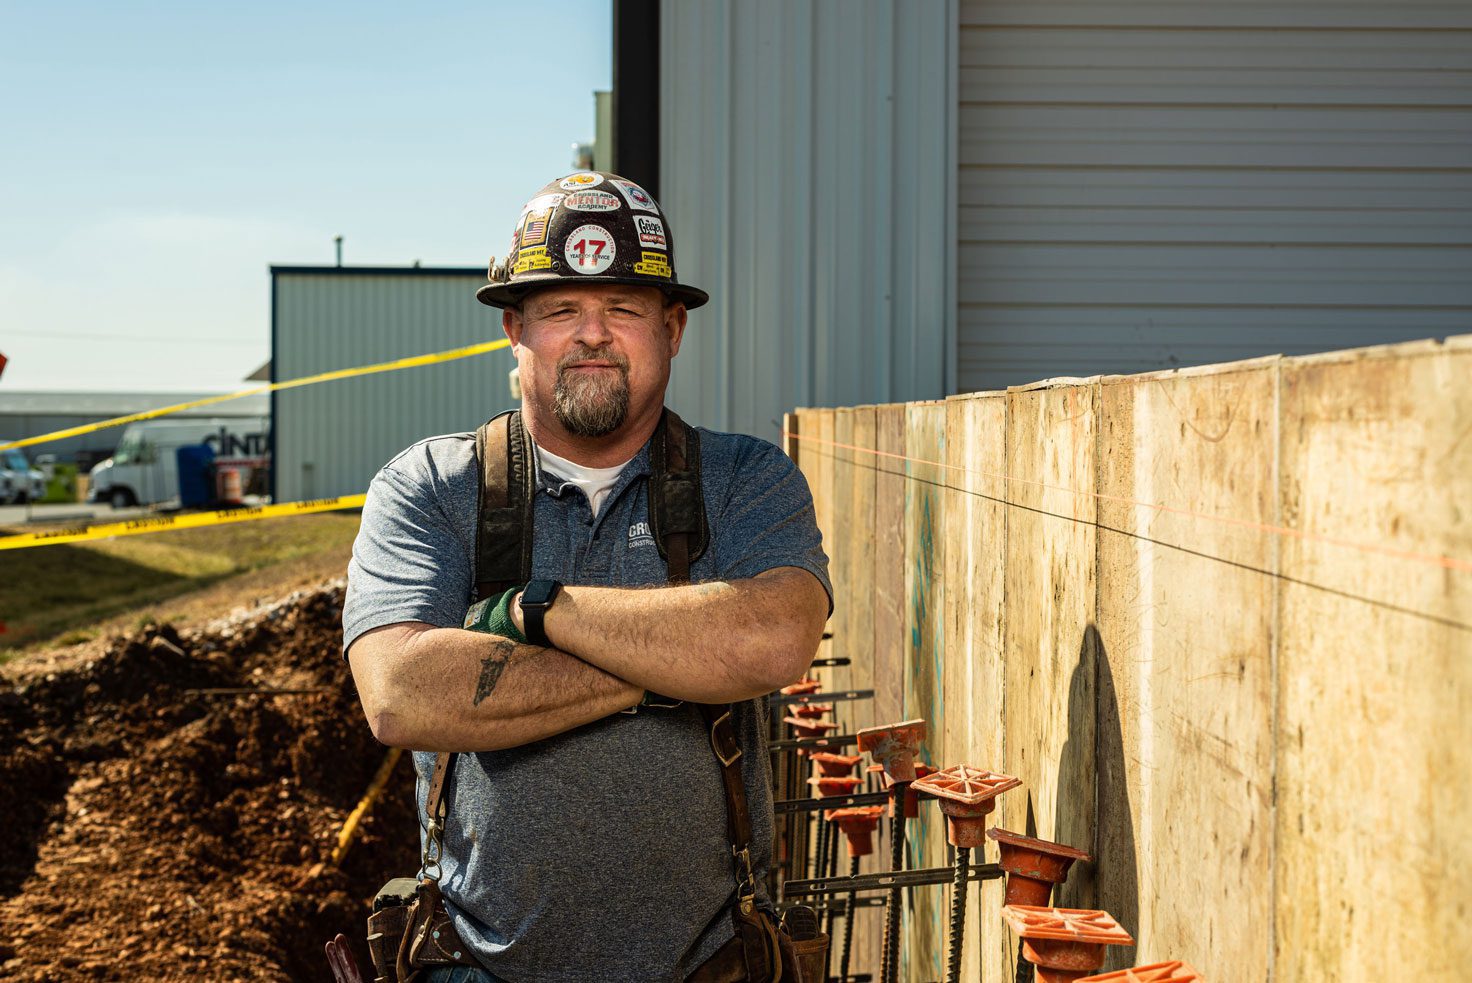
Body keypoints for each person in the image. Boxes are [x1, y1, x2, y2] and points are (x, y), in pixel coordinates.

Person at [343, 170, 832, 981]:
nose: (592, 334)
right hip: (475, 967)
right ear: (515, 328)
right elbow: (401, 692)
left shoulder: (747, 479)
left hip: (711, 966)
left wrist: (542, 609)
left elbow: (775, 639)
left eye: (625, 310)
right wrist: (679, 669)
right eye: (562, 310)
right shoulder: (430, 486)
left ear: (673, 328)